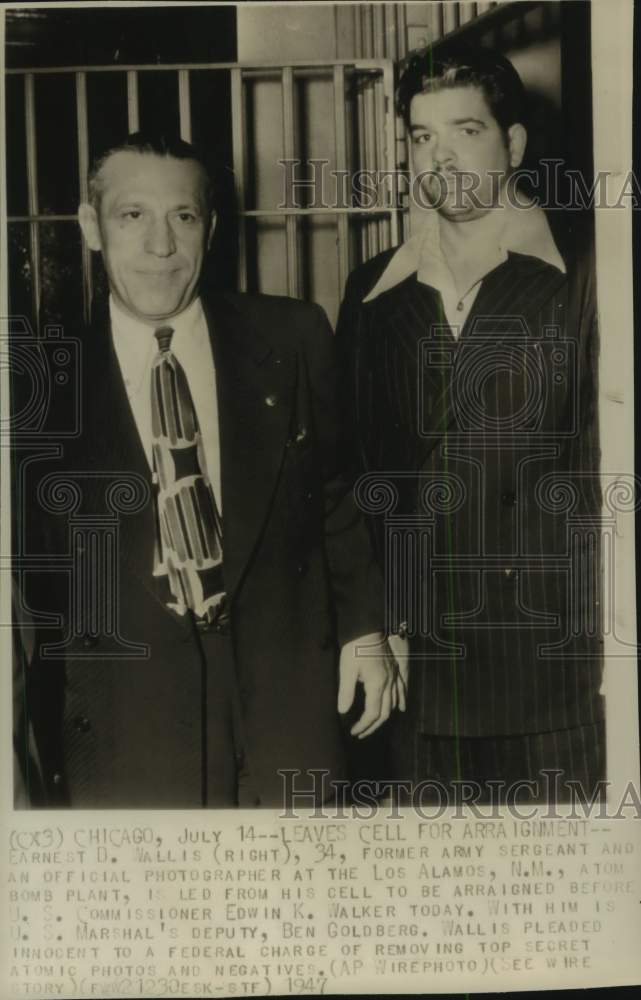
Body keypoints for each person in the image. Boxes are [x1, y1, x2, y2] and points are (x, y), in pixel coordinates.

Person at [14, 130, 403, 809]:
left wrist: (365, 629)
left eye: (183, 217)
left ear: (211, 228)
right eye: (132, 216)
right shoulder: (39, 383)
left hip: (287, 699)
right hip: (124, 722)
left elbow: (338, 492)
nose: (161, 247)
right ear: (91, 227)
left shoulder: (293, 336)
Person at [336, 47, 604, 803]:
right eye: (422, 137)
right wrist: (374, 626)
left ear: (512, 144)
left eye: (464, 131)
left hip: (556, 672)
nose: (440, 157)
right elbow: (356, 478)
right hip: (416, 675)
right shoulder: (372, 291)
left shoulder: (588, 273)